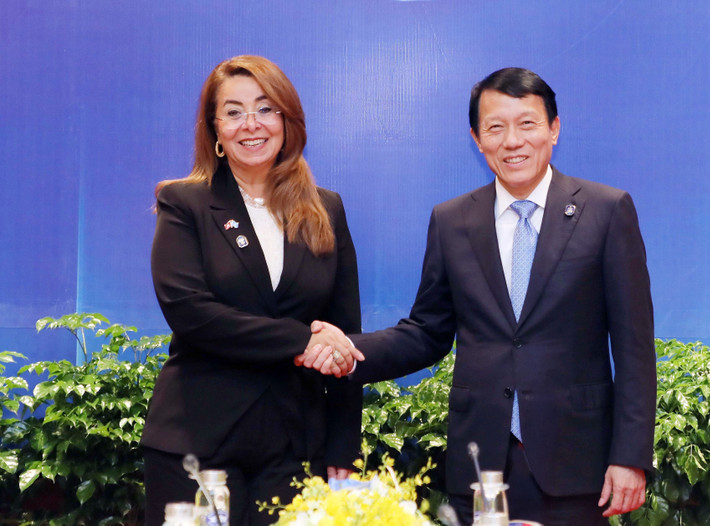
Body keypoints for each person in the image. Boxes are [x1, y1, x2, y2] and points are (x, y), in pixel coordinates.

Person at [300, 67, 656, 525]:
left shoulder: (606, 212)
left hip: (575, 462)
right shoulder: (452, 221)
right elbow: (427, 332)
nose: (513, 141)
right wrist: (349, 350)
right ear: (477, 138)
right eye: (495, 127)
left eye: (527, 123)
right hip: (480, 462)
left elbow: (633, 347)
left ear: (554, 129)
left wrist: (629, 456)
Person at [141, 55, 364, 526]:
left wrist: (344, 444)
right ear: (215, 129)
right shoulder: (184, 202)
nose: (251, 125)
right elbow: (191, 313)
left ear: (287, 119)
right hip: (196, 443)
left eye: (265, 109)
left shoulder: (326, 209)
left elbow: (343, 333)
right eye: (234, 111)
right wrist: (301, 341)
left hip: (295, 444)